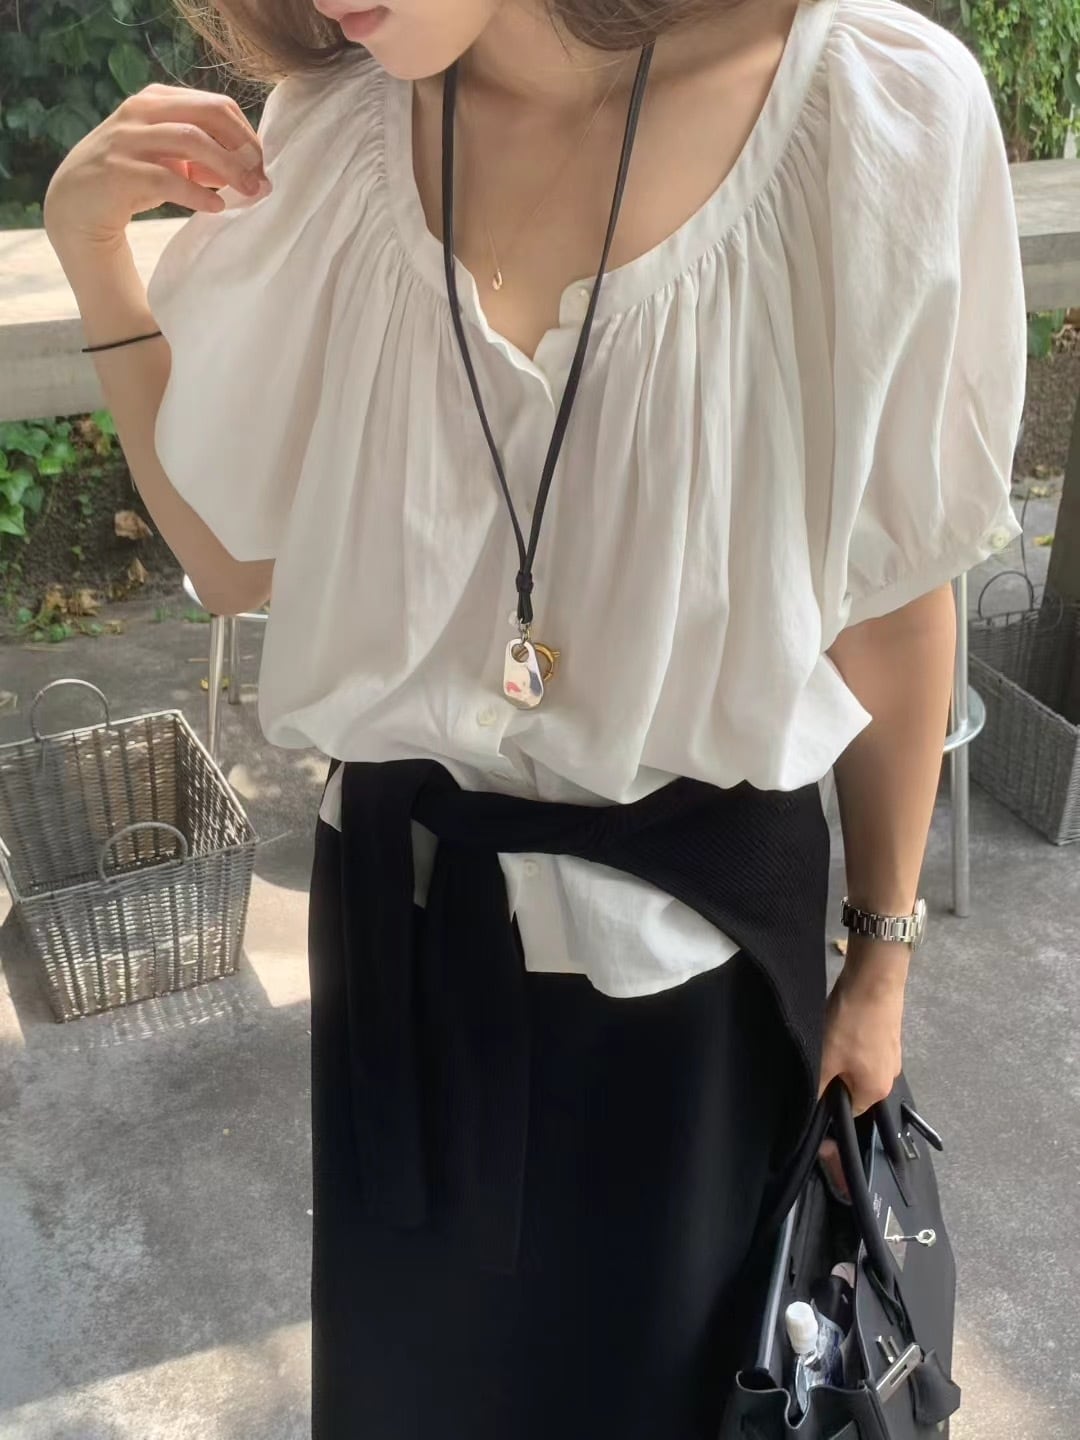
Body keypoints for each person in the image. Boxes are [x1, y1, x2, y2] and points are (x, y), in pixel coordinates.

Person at [44, 0, 1025, 1434]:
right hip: (403, 947)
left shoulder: (868, 107)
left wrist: (880, 961)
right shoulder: (336, 131)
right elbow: (231, 556)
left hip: (690, 972)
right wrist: (95, 257)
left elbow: (893, 598)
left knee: (675, 1391)